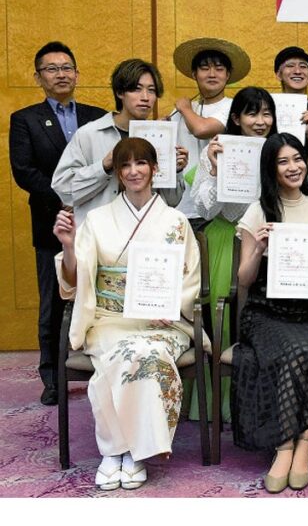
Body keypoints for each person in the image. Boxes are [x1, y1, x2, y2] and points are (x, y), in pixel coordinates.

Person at [53, 137, 201, 491]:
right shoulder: (97, 219)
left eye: (141, 164)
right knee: (124, 354)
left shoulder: (176, 220)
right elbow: (78, 279)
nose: (134, 171)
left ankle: (130, 452)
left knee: (145, 353)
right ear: (118, 173)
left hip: (161, 322)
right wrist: (69, 247)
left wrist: (171, 306)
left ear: (154, 168)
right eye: (125, 166)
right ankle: (116, 450)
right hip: (109, 318)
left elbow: (190, 276)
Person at [231, 133, 308, 493]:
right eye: (283, 161)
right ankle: (283, 447)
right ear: (272, 168)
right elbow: (243, 280)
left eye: (297, 159)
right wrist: (259, 249)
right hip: (266, 311)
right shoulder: (258, 210)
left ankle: (304, 446)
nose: (293, 167)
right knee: (293, 351)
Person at [8, 41, 105, 405]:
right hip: (52, 222)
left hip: (96, 220)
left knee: (98, 294)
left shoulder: (98, 116)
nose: (60, 74)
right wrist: (65, 199)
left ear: (77, 74)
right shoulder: (25, 119)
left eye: (67, 67)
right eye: (51, 69)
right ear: (38, 77)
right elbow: (24, 171)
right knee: (53, 301)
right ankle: (52, 377)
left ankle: (97, 368)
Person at [188, 86, 278, 421]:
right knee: (224, 324)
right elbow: (205, 209)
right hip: (227, 240)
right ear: (236, 117)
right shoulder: (217, 148)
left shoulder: (278, 149)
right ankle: (223, 407)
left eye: (266, 113)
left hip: (269, 241)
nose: (260, 121)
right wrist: (213, 168)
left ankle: (264, 404)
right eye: (252, 113)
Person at [52, 58, 186, 225]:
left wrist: (176, 170)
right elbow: (64, 189)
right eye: (136, 89)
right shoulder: (89, 134)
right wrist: (103, 166)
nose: (145, 97)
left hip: (145, 236)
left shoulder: (160, 136)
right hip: (100, 238)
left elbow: (173, 200)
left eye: (151, 90)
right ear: (120, 93)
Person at [170, 37, 249, 230]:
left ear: (228, 75)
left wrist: (184, 107)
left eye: (219, 68)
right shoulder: (180, 113)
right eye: (204, 68)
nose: (212, 73)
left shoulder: (233, 108)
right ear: (194, 74)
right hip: (182, 206)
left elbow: (201, 129)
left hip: (216, 207)